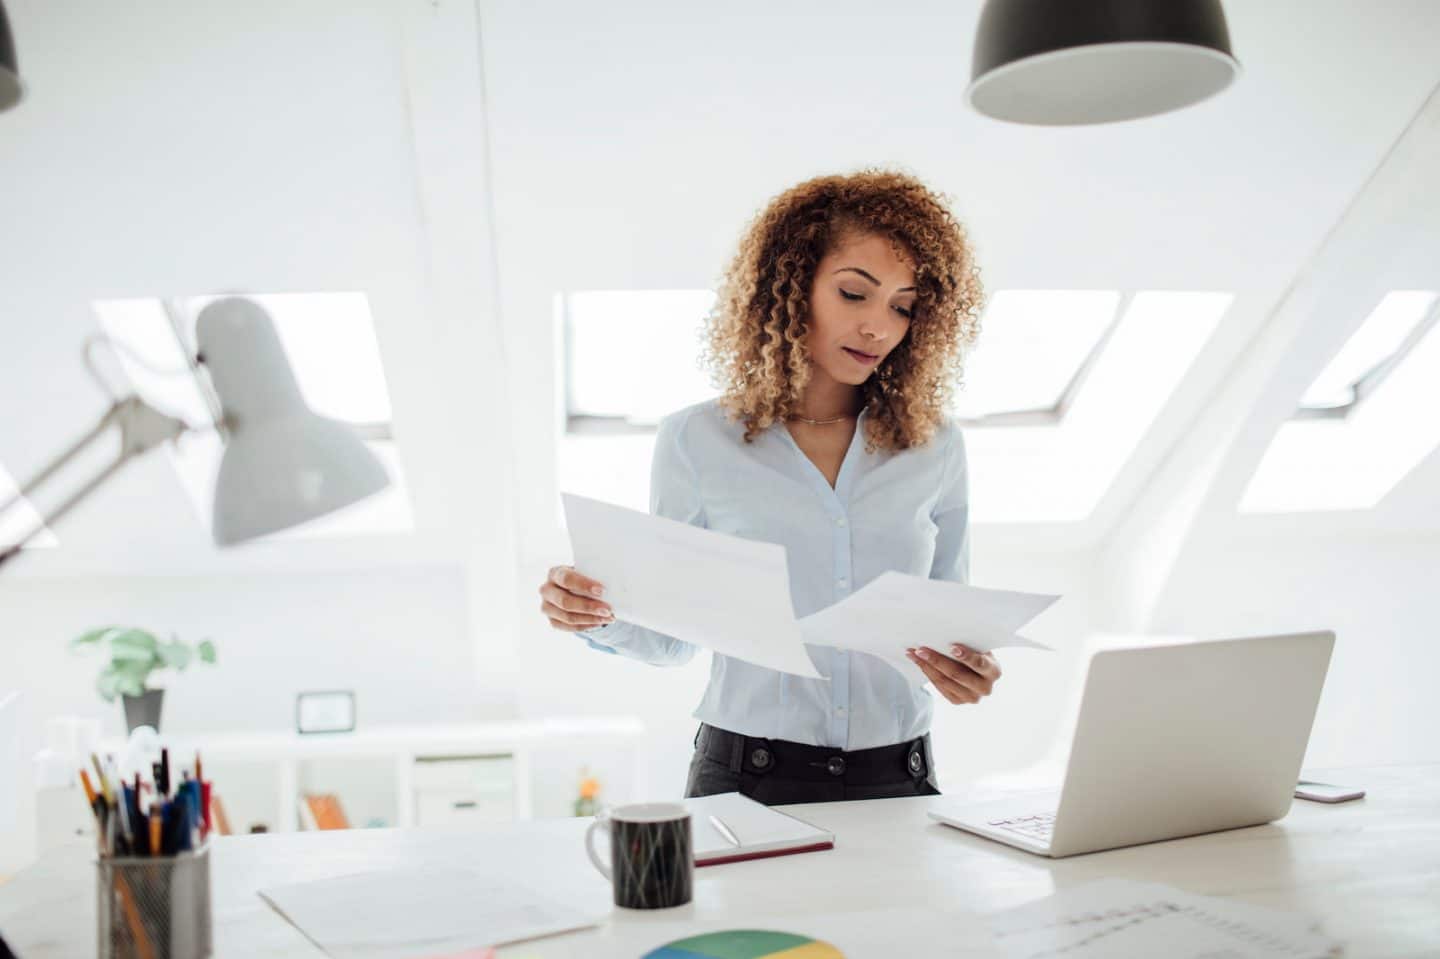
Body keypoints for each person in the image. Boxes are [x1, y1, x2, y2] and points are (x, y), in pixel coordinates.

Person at [539, 169, 999, 804]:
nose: (878, 328)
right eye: (853, 294)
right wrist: (592, 612)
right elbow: (671, 638)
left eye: (902, 306)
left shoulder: (936, 446)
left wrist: (968, 669)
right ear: (789, 286)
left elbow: (951, 617)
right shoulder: (697, 440)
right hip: (747, 776)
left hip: (900, 776)